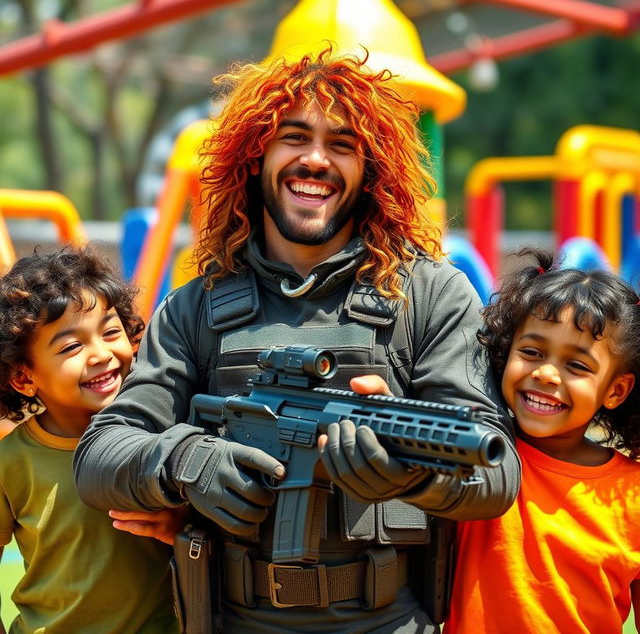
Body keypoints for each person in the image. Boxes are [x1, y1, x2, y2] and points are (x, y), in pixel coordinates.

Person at [74, 48, 520, 634]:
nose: (316, 159)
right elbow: (100, 456)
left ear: (372, 170)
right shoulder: (195, 307)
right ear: (255, 155)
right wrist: (186, 460)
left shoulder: (431, 295)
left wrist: (412, 475)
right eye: (294, 136)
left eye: (343, 143)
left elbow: (495, 469)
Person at [444, 249, 640, 634]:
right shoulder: (476, 454)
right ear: (504, 353)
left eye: (577, 365)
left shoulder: (632, 494)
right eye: (531, 353)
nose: (547, 374)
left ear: (616, 390)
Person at [0, 247, 180, 634]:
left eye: (110, 331)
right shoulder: (9, 463)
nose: (101, 354)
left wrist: (180, 526)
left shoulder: (161, 438)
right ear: (23, 377)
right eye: (71, 346)